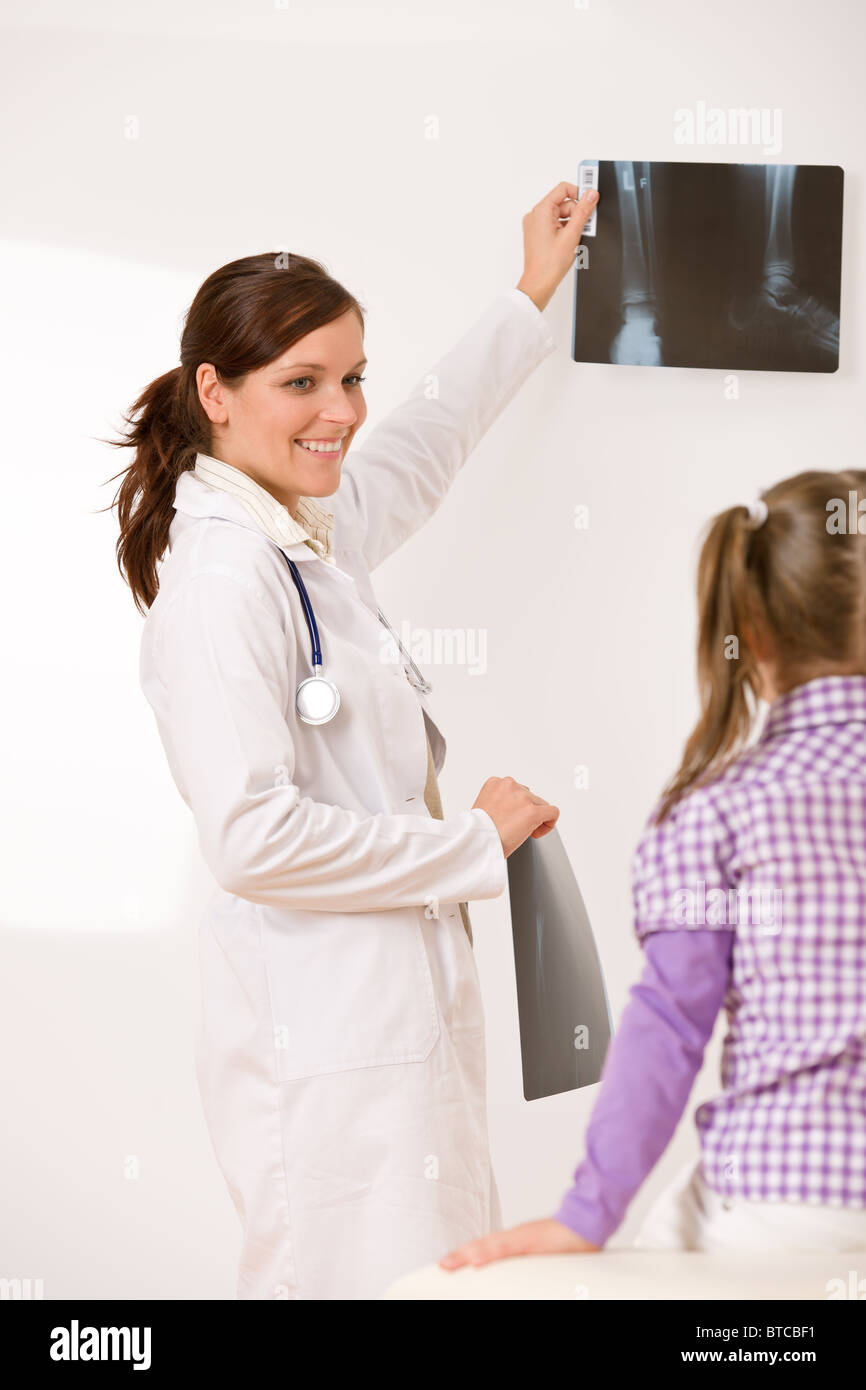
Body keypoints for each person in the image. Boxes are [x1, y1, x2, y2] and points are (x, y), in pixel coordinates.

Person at [108, 182, 600, 1300]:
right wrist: (470, 845)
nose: (341, 409)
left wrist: (529, 294)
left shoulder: (302, 532)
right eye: (302, 383)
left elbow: (424, 442)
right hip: (323, 1053)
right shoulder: (225, 582)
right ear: (213, 393)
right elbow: (250, 837)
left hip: (385, 1035)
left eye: (351, 375)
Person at [442, 469, 866, 1270]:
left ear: (755, 636)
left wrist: (587, 1212)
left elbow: (670, 1024)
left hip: (784, 1202)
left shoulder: (723, 811)